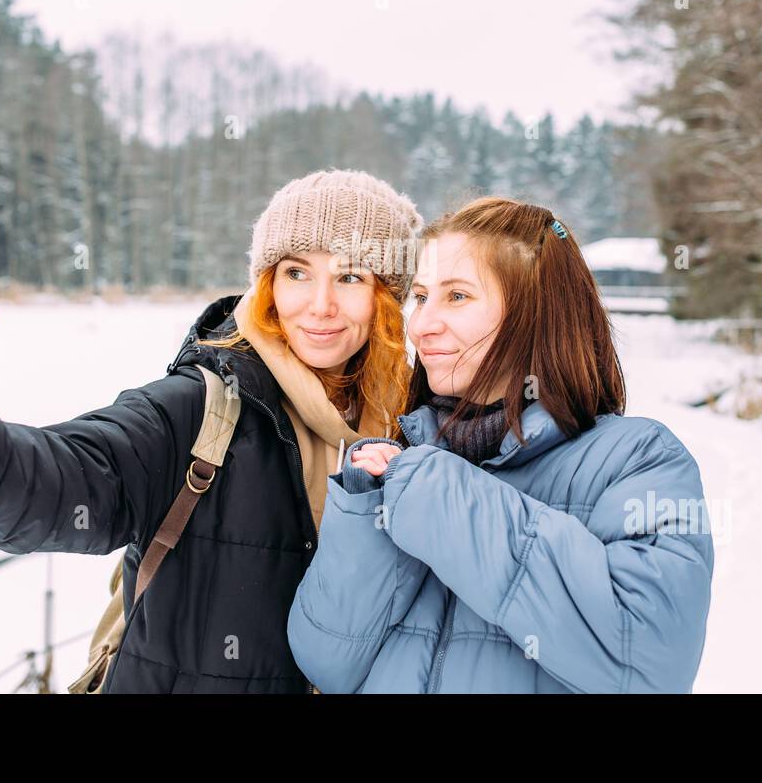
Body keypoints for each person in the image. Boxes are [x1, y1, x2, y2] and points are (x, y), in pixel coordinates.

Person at [0, 169, 421, 693]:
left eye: (349, 275)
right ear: (269, 284)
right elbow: (63, 479)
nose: (319, 305)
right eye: (297, 272)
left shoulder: (416, 425)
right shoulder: (202, 408)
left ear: (387, 298)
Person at [287, 196, 714, 693]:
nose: (422, 325)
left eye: (458, 297)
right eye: (422, 297)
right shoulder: (410, 454)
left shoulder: (639, 460)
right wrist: (369, 515)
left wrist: (440, 495)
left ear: (537, 313)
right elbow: (325, 662)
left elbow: (645, 663)